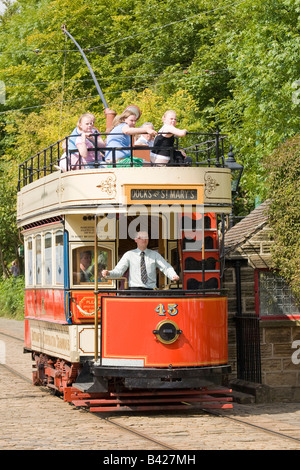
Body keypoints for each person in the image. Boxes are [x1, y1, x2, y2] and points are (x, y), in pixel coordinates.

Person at [101, 231, 179, 290]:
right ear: (135, 240)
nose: (144, 240)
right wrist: (109, 273)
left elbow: (166, 267)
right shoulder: (129, 254)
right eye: (140, 238)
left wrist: (173, 275)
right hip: (134, 291)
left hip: (151, 292)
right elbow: (119, 271)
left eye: (146, 237)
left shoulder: (155, 255)